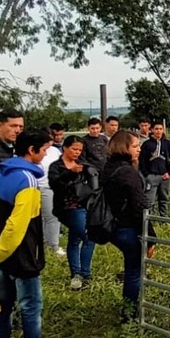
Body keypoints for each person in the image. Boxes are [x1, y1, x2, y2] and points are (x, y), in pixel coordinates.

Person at [0, 129, 65, 338]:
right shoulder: (28, 181)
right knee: (30, 304)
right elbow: (16, 227)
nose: (47, 154)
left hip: (2, 252)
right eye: (45, 150)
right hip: (22, 255)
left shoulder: (3, 173)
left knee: (3, 304)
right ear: (32, 150)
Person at [101, 131, 156, 322]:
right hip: (127, 227)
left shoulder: (109, 167)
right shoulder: (127, 172)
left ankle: (129, 309)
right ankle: (130, 313)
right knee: (134, 271)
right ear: (123, 147)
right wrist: (150, 236)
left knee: (131, 268)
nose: (139, 149)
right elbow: (139, 205)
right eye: (135, 146)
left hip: (113, 226)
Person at [49, 136, 98, 291]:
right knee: (89, 237)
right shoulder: (56, 166)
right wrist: (70, 173)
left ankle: (75, 273)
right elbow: (55, 184)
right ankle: (84, 274)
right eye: (74, 149)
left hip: (84, 205)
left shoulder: (82, 164)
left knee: (75, 239)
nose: (77, 153)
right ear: (65, 148)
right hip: (67, 208)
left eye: (79, 150)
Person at [38, 125, 65, 258]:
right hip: (43, 186)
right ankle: (53, 245)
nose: (51, 140)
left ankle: (48, 243)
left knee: (50, 218)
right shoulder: (37, 151)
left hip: (54, 186)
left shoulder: (54, 150)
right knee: (51, 218)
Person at [138, 120, 170, 217]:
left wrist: (169, 172)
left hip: (164, 176)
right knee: (150, 200)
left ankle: (164, 219)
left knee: (164, 199)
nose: (158, 131)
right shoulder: (146, 144)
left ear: (163, 130)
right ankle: (150, 220)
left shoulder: (168, 144)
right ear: (152, 130)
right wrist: (146, 174)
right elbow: (142, 160)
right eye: (156, 129)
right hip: (151, 176)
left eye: (160, 129)